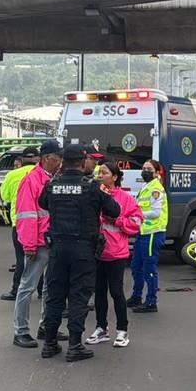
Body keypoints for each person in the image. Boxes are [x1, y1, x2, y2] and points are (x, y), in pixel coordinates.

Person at [38, 144, 120, 361]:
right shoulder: (92, 187)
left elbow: (42, 203)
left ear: (63, 163)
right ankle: (75, 345)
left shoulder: (52, 185)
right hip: (83, 249)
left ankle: (49, 343)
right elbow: (115, 210)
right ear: (83, 162)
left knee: (55, 296)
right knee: (78, 296)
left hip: (57, 248)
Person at [10, 141, 62, 348]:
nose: (60, 163)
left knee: (49, 287)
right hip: (38, 243)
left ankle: (45, 326)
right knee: (27, 287)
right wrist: (30, 244)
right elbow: (26, 215)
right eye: (58, 159)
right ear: (47, 158)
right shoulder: (31, 180)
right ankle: (20, 331)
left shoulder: (53, 178)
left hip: (52, 240)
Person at [88, 162, 143, 348]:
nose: (100, 176)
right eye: (98, 173)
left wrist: (118, 220)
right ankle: (101, 328)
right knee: (99, 293)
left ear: (115, 177)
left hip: (116, 253)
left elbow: (136, 222)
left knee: (117, 293)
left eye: (104, 173)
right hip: (97, 253)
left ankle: (122, 330)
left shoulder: (125, 198)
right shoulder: (93, 195)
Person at [0, 146, 39, 301]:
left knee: (21, 258)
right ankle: (42, 291)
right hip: (41, 224)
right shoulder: (42, 175)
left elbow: (5, 196)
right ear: (38, 158)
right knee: (42, 260)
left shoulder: (13, 175)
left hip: (19, 223)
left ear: (22, 160)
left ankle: (16, 290)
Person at [129, 159, 168, 314]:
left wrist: (138, 215)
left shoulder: (156, 189)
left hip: (153, 233)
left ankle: (151, 301)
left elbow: (156, 212)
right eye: (144, 168)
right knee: (135, 266)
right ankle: (136, 296)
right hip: (142, 232)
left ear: (157, 172)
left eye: (149, 169)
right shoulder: (146, 187)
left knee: (149, 269)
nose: (145, 171)